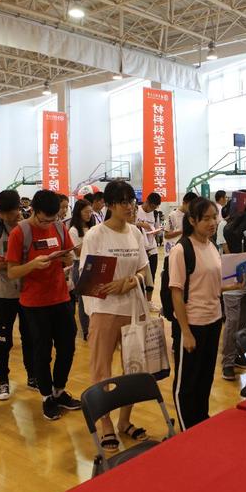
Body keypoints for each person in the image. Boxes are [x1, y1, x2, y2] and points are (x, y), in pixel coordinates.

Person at [80, 180, 150, 448]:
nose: (130, 207)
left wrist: (131, 281)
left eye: (131, 201)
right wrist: (113, 286)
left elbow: (143, 269)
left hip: (133, 309)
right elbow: (88, 281)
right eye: (123, 202)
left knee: (133, 367)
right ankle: (106, 424)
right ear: (109, 205)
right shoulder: (96, 235)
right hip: (104, 311)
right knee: (102, 370)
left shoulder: (135, 232)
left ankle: (124, 421)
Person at [170, 197, 244, 430]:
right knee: (187, 383)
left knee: (205, 378)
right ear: (192, 220)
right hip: (192, 324)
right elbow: (176, 293)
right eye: (206, 219)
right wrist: (185, 332)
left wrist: (233, 285)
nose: (212, 223)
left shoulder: (211, 246)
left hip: (213, 321)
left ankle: (200, 422)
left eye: (214, 217)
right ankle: (186, 431)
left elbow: (210, 284)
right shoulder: (181, 250)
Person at [6, 189, 79, 419]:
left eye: (53, 218)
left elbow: (69, 256)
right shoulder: (20, 233)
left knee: (67, 346)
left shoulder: (59, 227)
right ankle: (47, 396)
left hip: (61, 297)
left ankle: (59, 390)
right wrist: (33, 265)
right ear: (34, 211)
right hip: (34, 302)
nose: (49, 223)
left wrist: (67, 258)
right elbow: (11, 272)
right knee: (42, 350)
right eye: (44, 220)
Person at [0, 190, 35, 401]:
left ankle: (33, 376)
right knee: (3, 339)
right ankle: (3, 380)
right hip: (2, 292)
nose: (10, 217)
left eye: (13, 212)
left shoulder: (28, 226)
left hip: (28, 291)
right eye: (5, 214)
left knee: (30, 337)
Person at [217, 201, 246, 381]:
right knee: (232, 322)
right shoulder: (224, 226)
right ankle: (227, 362)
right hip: (230, 282)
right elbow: (228, 252)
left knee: (243, 321)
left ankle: (237, 353)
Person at [68, 199, 93, 339]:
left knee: (93, 299)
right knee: (83, 301)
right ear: (79, 212)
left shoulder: (91, 228)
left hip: (93, 262)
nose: (89, 215)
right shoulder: (73, 230)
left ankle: (93, 327)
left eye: (90, 212)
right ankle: (86, 331)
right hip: (80, 265)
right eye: (86, 212)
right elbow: (78, 252)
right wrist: (90, 239)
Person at [135, 192, 162, 311]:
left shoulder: (155, 213)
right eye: (151, 206)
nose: (152, 209)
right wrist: (141, 224)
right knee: (140, 277)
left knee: (152, 276)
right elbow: (130, 223)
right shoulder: (136, 210)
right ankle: (140, 302)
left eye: (155, 207)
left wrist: (156, 231)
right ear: (146, 201)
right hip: (139, 249)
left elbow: (157, 227)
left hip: (152, 248)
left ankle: (149, 302)